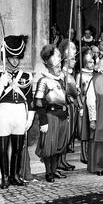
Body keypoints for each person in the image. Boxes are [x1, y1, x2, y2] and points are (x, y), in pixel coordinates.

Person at [0, 35, 35, 189]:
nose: (16, 61)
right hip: (3, 113)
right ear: (6, 57)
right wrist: (1, 84)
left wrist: (30, 118)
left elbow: (30, 99)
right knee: (3, 149)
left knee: (17, 148)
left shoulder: (26, 76)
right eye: (12, 57)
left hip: (19, 113)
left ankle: (14, 176)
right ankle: (4, 178)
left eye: (18, 58)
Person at [34, 44, 68, 182]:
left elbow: (65, 97)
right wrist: (43, 122)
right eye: (56, 66)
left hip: (63, 115)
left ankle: (55, 170)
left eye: (60, 65)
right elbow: (38, 103)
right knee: (49, 146)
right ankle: (48, 172)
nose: (59, 67)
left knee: (59, 145)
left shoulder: (62, 79)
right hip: (51, 116)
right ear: (49, 66)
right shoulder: (43, 81)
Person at [58, 39, 78, 171]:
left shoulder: (71, 74)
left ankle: (63, 160)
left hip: (73, 107)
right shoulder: (62, 74)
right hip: (67, 107)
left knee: (69, 135)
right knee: (64, 135)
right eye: (72, 58)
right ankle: (59, 161)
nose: (75, 59)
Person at [76, 48, 94, 164]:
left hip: (93, 104)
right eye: (90, 62)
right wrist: (80, 105)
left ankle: (92, 154)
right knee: (84, 130)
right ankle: (84, 155)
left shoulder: (95, 74)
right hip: (83, 101)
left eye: (93, 62)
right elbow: (77, 91)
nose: (92, 64)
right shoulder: (80, 75)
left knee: (92, 129)